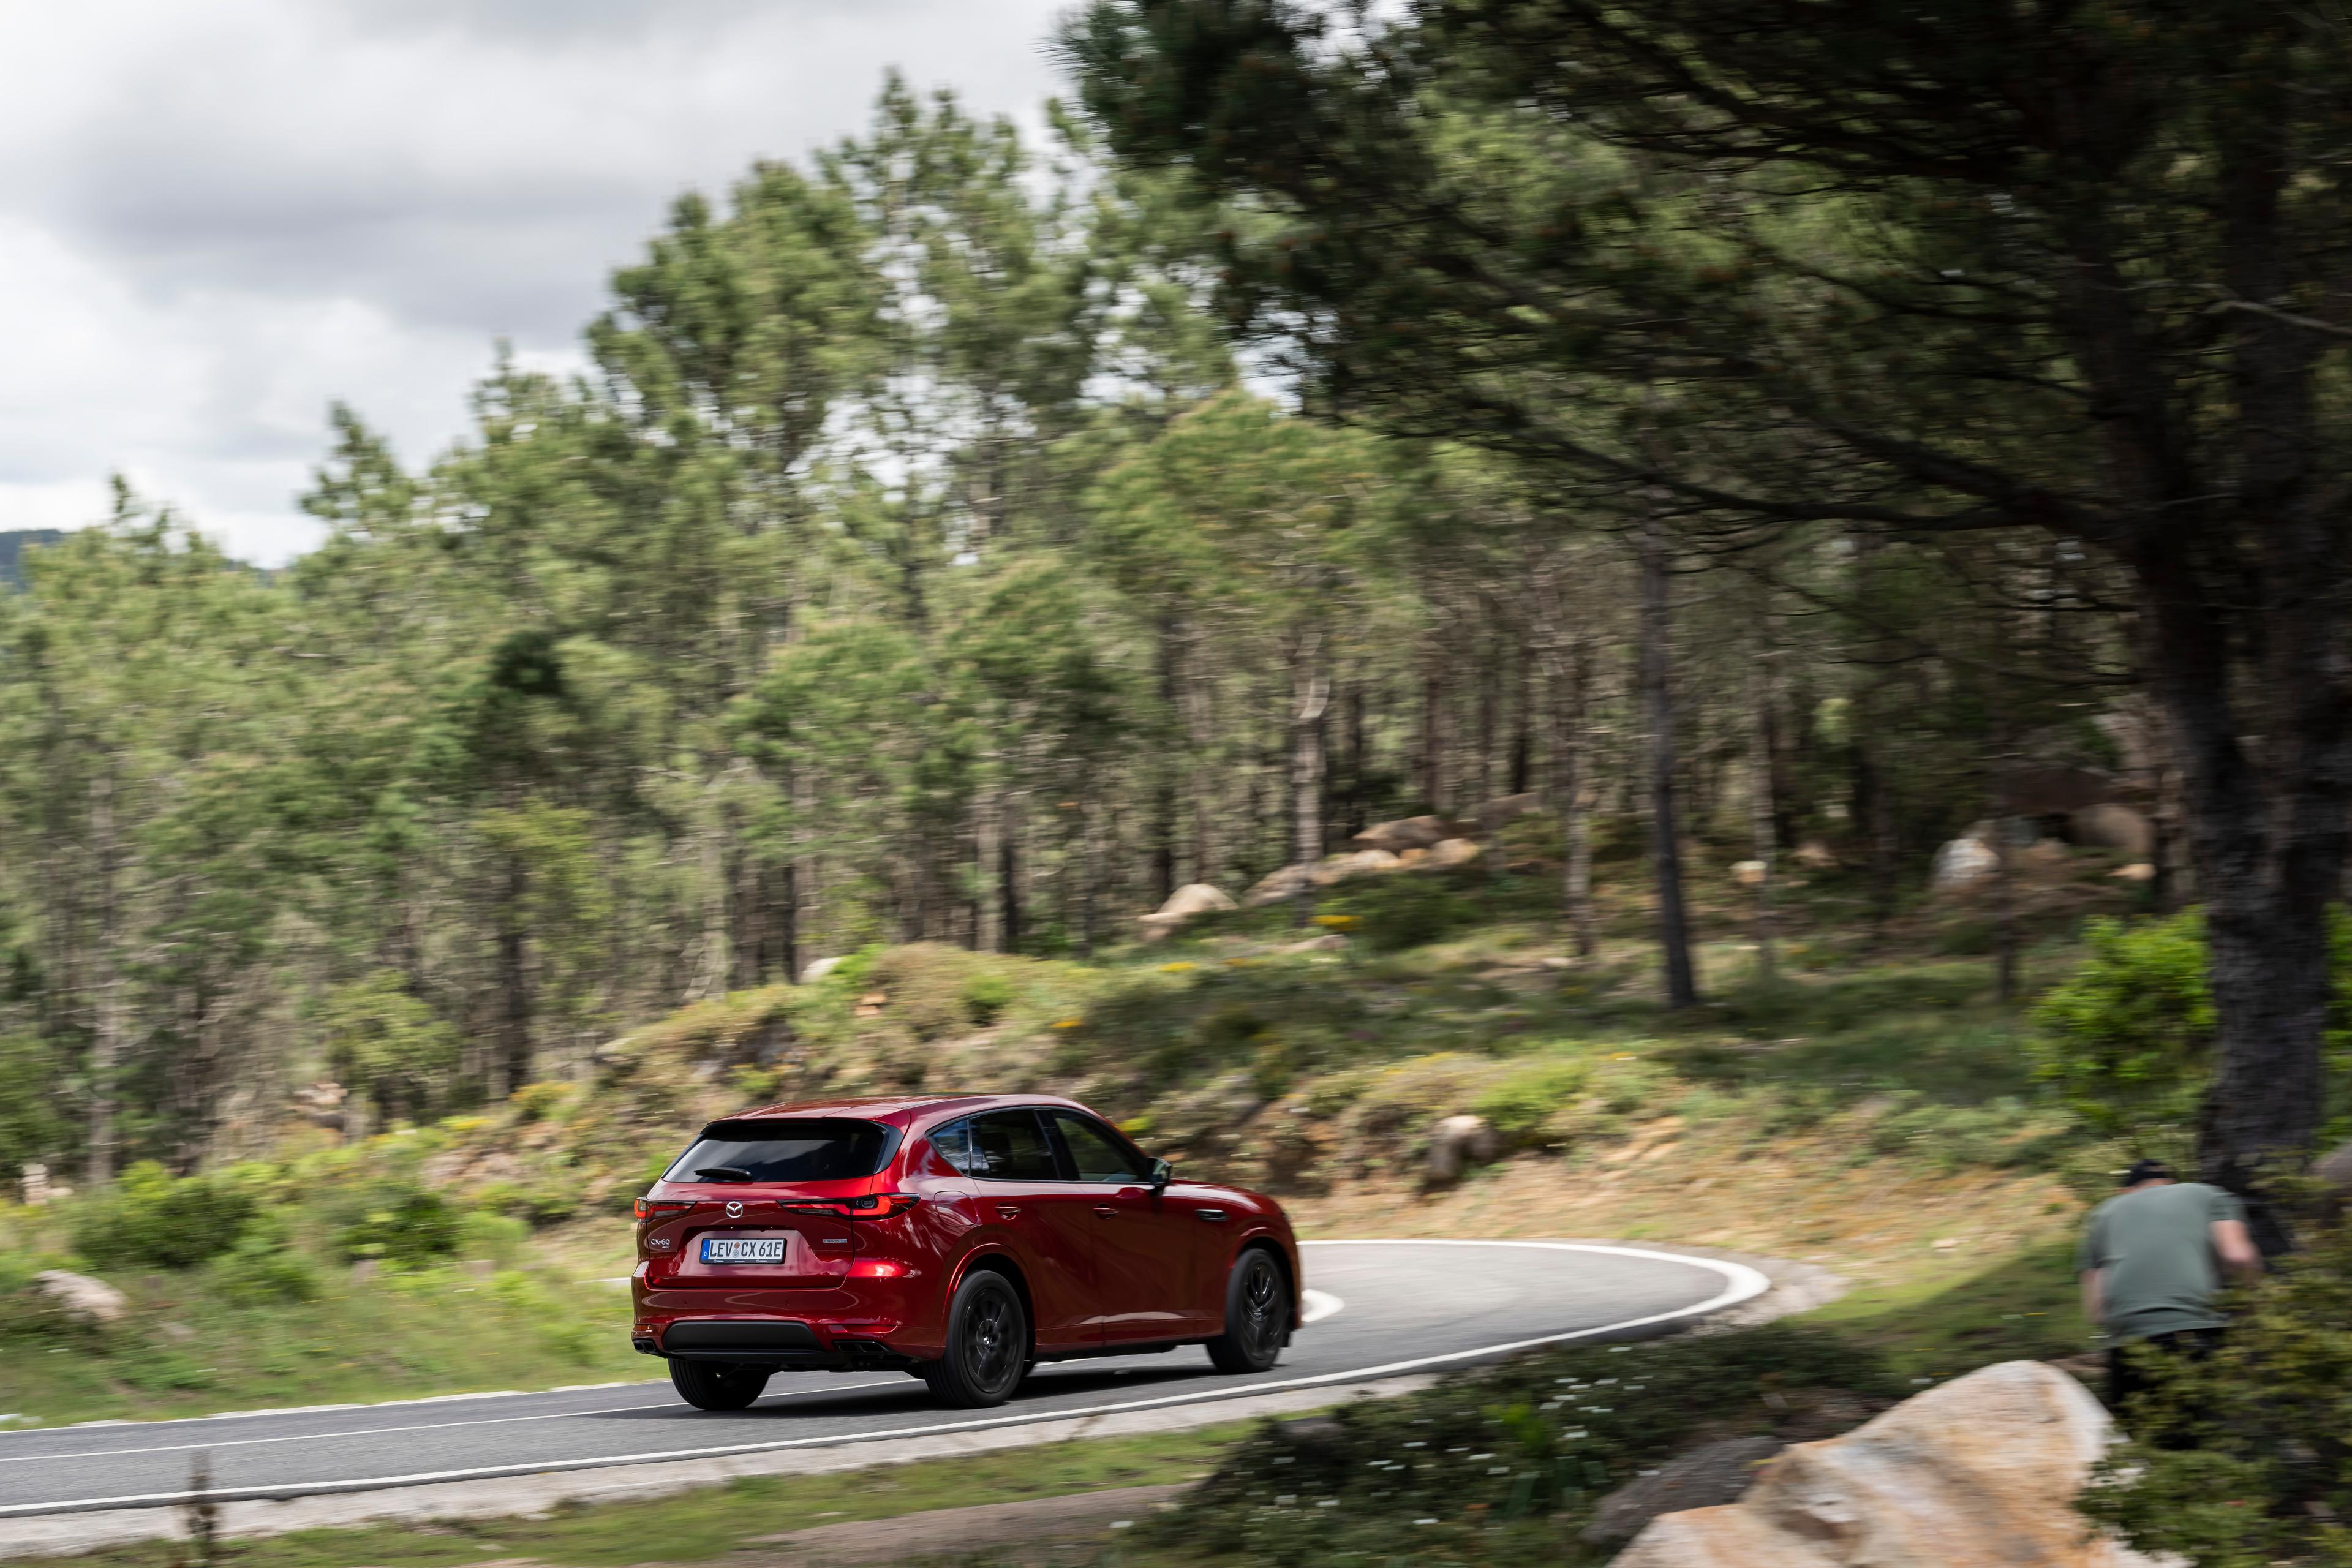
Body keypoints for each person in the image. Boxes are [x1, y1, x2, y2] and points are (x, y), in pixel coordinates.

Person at [2078, 1158, 2262, 1415]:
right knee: (2209, 1430)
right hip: (2196, 1328)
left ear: (2124, 1191)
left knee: (2144, 1441)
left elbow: (2096, 1310)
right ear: (2171, 1183)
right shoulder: (2208, 1194)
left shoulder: (2103, 1213)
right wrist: (2251, 1308)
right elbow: (2237, 1256)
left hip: (2128, 1341)